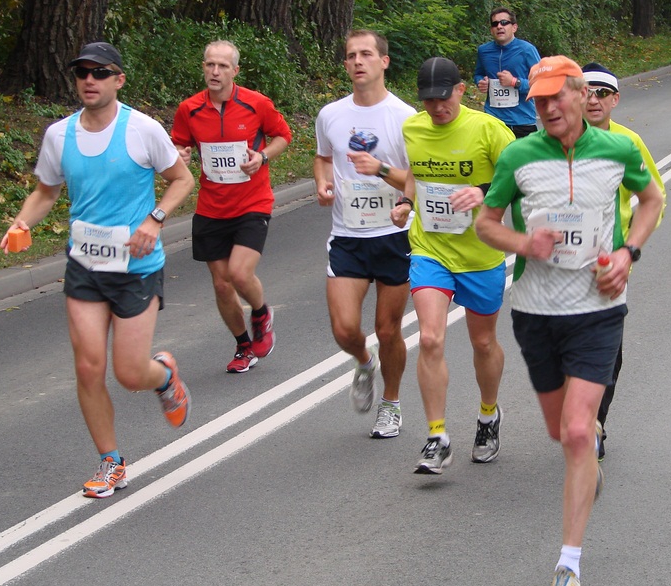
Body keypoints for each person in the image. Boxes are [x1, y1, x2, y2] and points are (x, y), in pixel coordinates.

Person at [475, 56, 664, 586]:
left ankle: (568, 565)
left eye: (559, 97)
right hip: (535, 314)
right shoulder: (517, 156)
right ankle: (586, 469)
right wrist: (521, 245)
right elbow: (486, 222)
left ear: (584, 97)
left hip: (599, 309)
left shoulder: (619, 151)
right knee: (562, 434)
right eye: (539, 101)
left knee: (581, 433)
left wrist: (629, 253)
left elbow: (651, 198)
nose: (549, 108)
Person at [0, 42, 195, 499]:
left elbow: (182, 180)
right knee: (89, 369)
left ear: (118, 80)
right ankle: (111, 461)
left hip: (136, 267)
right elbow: (46, 190)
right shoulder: (59, 135)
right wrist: (23, 220)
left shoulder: (142, 129)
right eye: (82, 73)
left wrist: (155, 219)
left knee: (129, 374)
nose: (90, 80)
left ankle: (164, 376)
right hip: (84, 266)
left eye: (100, 72)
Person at [389, 57, 514, 471]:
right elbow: (415, 174)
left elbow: (521, 176)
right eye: (428, 101)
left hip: (480, 253)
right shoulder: (412, 128)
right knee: (429, 338)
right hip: (431, 249)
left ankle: (488, 414)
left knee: (482, 343)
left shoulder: (488, 129)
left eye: (443, 99)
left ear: (461, 90)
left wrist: (482, 191)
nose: (436, 108)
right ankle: (437, 436)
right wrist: (406, 201)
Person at [314, 30, 415, 437]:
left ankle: (390, 403)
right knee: (344, 329)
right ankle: (364, 362)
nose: (358, 61)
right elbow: (322, 158)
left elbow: (419, 177)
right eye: (351, 55)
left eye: (367, 54)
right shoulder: (330, 115)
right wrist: (322, 183)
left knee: (389, 330)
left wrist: (386, 175)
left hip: (393, 235)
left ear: (384, 62)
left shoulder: (406, 117)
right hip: (347, 235)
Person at [171, 41, 293, 373]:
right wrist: (180, 154)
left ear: (235, 71)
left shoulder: (256, 104)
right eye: (209, 64)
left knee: (239, 273)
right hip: (212, 207)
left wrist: (264, 156)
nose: (214, 71)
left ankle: (261, 313)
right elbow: (179, 144)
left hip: (252, 202)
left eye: (222, 66)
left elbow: (283, 135)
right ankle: (243, 345)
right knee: (221, 283)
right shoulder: (189, 109)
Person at [580, 62, 666, 460]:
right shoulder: (551, 140)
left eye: (601, 92)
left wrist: (629, 250)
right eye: (585, 91)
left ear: (616, 99)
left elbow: (654, 199)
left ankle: (595, 421)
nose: (593, 99)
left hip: (609, 261)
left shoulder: (628, 143)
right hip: (557, 264)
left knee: (605, 346)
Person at [474, 7, 542, 138]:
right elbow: (478, 74)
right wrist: (481, 82)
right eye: (495, 24)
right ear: (491, 30)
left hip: (521, 121)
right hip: (493, 119)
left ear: (514, 27)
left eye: (504, 22)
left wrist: (515, 82)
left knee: (523, 159)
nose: (499, 26)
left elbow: (541, 83)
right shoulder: (483, 51)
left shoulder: (527, 50)